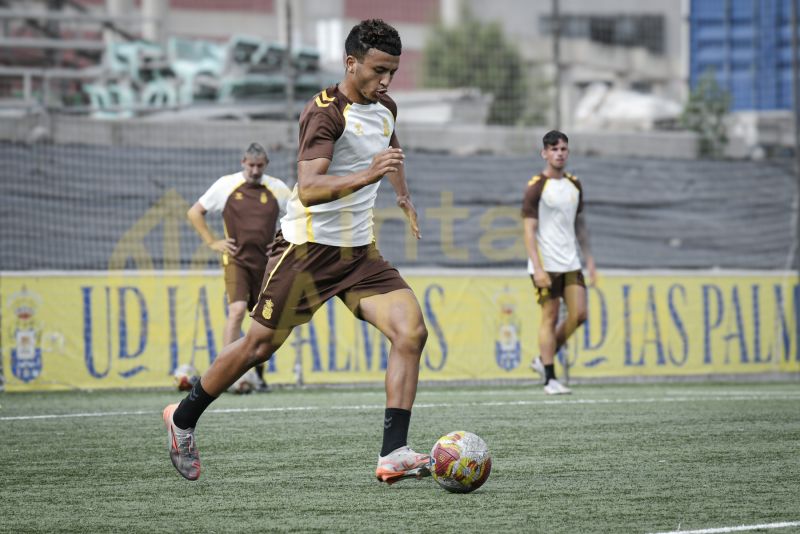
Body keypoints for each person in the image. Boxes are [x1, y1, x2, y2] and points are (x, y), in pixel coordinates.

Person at [163, 19, 430, 484]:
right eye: (378, 70)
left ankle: (394, 453)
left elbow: (389, 146)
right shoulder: (325, 112)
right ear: (351, 63)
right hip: (306, 251)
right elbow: (308, 188)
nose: (386, 80)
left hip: (358, 254)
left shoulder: (385, 106)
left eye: (393, 71)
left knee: (411, 332)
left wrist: (402, 195)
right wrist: (369, 175)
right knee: (258, 346)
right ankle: (182, 419)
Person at [186, 143, 291, 393]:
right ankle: (225, 376)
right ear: (242, 162)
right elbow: (194, 212)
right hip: (237, 260)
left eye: (260, 165)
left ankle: (259, 377)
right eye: (251, 165)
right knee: (237, 311)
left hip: (267, 265)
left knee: (265, 319)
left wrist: (281, 244)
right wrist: (212, 241)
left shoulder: (277, 188)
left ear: (266, 165)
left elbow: (298, 217)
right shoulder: (226, 185)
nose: (255, 170)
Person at [521, 130, 596, 395]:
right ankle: (550, 379)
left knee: (580, 314)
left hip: (571, 263)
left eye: (563, 149)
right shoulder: (536, 187)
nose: (559, 153)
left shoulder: (574, 185)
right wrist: (538, 267)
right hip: (547, 264)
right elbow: (529, 230)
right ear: (544, 153)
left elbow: (579, 225)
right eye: (553, 149)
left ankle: (543, 359)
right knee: (549, 318)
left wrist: (589, 260)